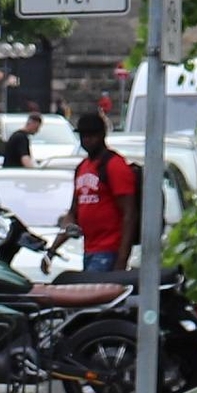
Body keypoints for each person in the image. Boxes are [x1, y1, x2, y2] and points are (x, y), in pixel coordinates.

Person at [60, 111, 138, 273]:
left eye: (92, 135)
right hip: (89, 249)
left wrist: (122, 258)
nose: (87, 140)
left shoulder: (115, 165)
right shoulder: (82, 167)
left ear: (102, 135)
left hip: (109, 250)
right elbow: (74, 211)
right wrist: (53, 249)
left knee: (92, 296)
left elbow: (129, 214)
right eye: (83, 136)